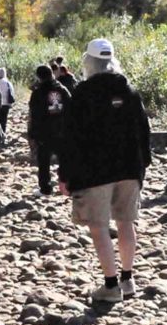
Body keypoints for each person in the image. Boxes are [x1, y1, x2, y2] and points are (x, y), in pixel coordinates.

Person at [59, 38, 151, 303]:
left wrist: (66, 175)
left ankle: (110, 287)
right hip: (129, 168)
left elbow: (71, 138)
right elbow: (143, 131)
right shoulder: (130, 91)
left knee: (99, 226)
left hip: (95, 171)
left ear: (89, 62)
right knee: (125, 221)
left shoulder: (82, 94)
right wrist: (142, 164)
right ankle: (127, 278)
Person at [27, 64, 71, 196]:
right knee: (65, 159)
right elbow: (71, 108)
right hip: (62, 131)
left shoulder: (38, 92)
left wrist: (32, 133)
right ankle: (67, 185)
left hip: (44, 132)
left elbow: (34, 114)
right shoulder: (62, 89)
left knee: (44, 161)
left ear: (39, 77)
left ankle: (45, 189)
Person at [0, 68, 16, 137]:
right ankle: (3, 134)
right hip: (6, 104)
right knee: (4, 120)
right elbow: (12, 93)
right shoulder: (8, 83)